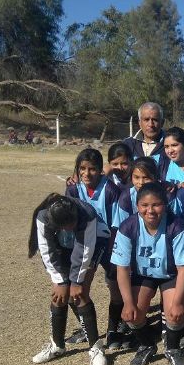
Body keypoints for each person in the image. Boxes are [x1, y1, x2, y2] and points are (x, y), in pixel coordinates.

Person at [110, 182, 184, 365]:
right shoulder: (128, 227)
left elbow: (183, 269)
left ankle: (172, 348)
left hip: (170, 275)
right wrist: (128, 302)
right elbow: (122, 268)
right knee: (132, 314)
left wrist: (178, 302)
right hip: (143, 275)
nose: (150, 210)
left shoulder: (176, 226)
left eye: (156, 205)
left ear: (165, 205)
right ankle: (147, 345)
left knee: (175, 313)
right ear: (137, 206)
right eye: (144, 205)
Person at [28, 193, 109, 365]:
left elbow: (84, 250)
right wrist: (60, 281)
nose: (68, 228)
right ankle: (57, 345)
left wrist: (76, 282)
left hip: (94, 242)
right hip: (64, 246)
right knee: (59, 294)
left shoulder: (87, 214)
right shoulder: (44, 217)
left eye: (71, 224)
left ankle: (96, 347)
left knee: (79, 293)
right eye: (64, 227)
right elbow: (47, 251)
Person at [65, 148, 125, 349]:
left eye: (92, 169)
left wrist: (113, 251)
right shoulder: (73, 190)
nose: (86, 173)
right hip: (84, 244)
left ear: (101, 170)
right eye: (82, 168)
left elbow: (116, 225)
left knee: (116, 289)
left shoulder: (111, 191)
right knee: (77, 288)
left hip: (108, 243)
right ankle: (86, 329)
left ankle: (113, 330)